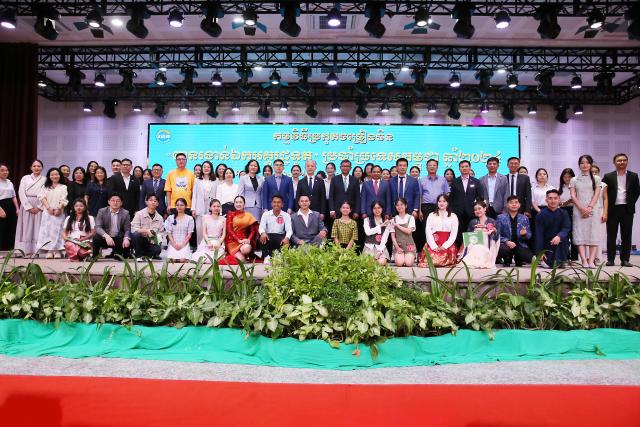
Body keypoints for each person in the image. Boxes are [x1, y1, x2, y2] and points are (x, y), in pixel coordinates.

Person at [602, 153, 640, 267]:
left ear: (627, 162)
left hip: (627, 209)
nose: (621, 162)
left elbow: (637, 191)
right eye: (619, 160)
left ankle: (625, 260)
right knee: (611, 235)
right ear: (614, 163)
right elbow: (603, 192)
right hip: (613, 209)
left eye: (624, 160)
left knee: (626, 235)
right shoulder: (608, 176)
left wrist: (631, 202)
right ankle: (610, 259)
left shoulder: (634, 176)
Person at [570, 155, 602, 268]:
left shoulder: (597, 178)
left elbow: (597, 194)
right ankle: (583, 260)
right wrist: (581, 208)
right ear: (579, 165)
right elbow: (573, 196)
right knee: (580, 235)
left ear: (591, 164)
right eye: (582, 162)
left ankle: (591, 260)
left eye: (587, 162)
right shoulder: (574, 179)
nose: (585, 165)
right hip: (579, 210)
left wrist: (589, 208)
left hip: (593, 210)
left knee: (593, 234)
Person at [450, 160, 487, 245]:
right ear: (459, 169)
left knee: (472, 233)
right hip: (458, 212)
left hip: (472, 212)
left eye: (466, 166)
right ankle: (459, 253)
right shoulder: (455, 182)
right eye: (462, 167)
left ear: (470, 168)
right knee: (459, 233)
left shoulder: (476, 181)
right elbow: (451, 198)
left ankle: (470, 253)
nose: (464, 168)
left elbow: (480, 197)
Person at [418, 194, 458, 268]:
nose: (441, 203)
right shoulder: (431, 215)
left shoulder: (453, 216)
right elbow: (428, 231)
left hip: (447, 243)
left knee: (447, 259)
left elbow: (454, 234)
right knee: (431, 260)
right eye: (439, 201)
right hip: (434, 242)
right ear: (437, 203)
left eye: (444, 201)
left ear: (448, 203)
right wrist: (433, 246)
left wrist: (445, 246)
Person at [14, 160, 46, 255]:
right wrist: (28, 207)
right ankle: (24, 250)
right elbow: (21, 192)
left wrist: (40, 207)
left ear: (42, 168)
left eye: (39, 166)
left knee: (38, 227)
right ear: (31, 168)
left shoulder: (45, 179)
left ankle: (37, 250)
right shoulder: (25, 178)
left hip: (40, 204)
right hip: (27, 204)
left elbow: (46, 193)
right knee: (26, 227)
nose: (36, 168)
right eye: (34, 166)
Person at [418, 159, 449, 254]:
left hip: (440, 207)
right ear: (426, 167)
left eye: (434, 165)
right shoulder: (421, 180)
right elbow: (420, 196)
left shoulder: (443, 180)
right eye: (430, 165)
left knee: (438, 229)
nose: (432, 167)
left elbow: (446, 195)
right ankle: (424, 253)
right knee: (426, 230)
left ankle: (438, 252)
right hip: (426, 207)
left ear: (437, 167)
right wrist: (419, 210)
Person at [36, 168, 68, 259]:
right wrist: (48, 208)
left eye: (56, 174)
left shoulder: (63, 187)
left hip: (59, 212)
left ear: (60, 176)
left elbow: (64, 199)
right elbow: (42, 197)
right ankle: (50, 250)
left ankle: (57, 250)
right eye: (52, 175)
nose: (54, 176)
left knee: (58, 231)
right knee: (48, 231)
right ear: (49, 176)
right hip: (47, 212)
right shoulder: (45, 186)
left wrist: (59, 208)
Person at [535, 189, 571, 268]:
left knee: (563, 239)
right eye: (550, 198)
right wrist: (540, 252)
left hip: (560, 242)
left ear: (559, 199)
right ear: (546, 200)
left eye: (555, 198)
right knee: (549, 264)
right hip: (547, 244)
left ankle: (561, 261)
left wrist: (559, 236)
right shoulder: (541, 214)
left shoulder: (564, 213)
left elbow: (566, 228)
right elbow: (539, 235)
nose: (553, 201)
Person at [92, 193, 132, 259]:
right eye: (113, 200)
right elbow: (98, 227)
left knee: (122, 257)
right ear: (108, 202)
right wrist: (106, 236)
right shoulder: (102, 211)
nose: (115, 203)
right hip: (105, 238)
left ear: (121, 203)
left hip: (118, 238)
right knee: (96, 237)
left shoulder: (125, 213)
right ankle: (95, 256)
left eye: (118, 201)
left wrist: (126, 238)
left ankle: (120, 254)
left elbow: (127, 229)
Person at [497, 196, 533, 267]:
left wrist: (524, 234)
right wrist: (507, 241)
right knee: (503, 250)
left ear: (519, 205)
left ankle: (518, 259)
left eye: (516, 202)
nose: (514, 204)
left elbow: (529, 235)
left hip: (519, 245)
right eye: (511, 202)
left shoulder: (524, 218)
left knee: (528, 257)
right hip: (506, 245)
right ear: (507, 205)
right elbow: (497, 235)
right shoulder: (500, 218)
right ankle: (507, 258)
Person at [462, 199, 499, 269]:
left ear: (485, 209)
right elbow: (467, 238)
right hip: (474, 245)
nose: (477, 211)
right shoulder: (473, 222)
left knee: (481, 250)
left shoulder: (492, 221)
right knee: (476, 249)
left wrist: (493, 231)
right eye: (475, 210)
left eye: (479, 208)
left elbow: (496, 238)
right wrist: (474, 232)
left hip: (487, 246)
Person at [259, 195, 293, 264]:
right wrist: (263, 233)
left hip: (280, 237)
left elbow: (289, 230)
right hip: (269, 237)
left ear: (282, 204)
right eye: (274, 202)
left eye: (279, 202)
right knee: (262, 237)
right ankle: (266, 257)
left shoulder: (286, 215)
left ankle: (280, 256)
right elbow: (261, 227)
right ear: (271, 203)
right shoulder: (266, 214)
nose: (276, 204)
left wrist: (287, 238)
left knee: (287, 240)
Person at [225, 195, 259, 263]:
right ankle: (241, 256)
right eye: (236, 202)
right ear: (234, 204)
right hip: (232, 241)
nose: (238, 204)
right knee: (240, 260)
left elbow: (253, 230)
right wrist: (238, 240)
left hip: (244, 241)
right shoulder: (230, 214)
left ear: (244, 204)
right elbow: (229, 230)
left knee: (246, 249)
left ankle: (244, 255)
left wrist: (249, 239)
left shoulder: (249, 215)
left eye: (240, 202)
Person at [131, 194, 165, 260]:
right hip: (139, 240)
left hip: (150, 242)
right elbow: (133, 229)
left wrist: (155, 240)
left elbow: (160, 233)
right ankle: (138, 255)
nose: (153, 202)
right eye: (150, 200)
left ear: (157, 204)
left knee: (158, 250)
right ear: (146, 202)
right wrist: (146, 231)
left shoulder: (160, 218)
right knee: (136, 235)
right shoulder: (139, 214)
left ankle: (145, 254)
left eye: (155, 201)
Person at [192, 161, 218, 241]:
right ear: (202, 169)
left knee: (210, 229)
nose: (206, 169)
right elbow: (194, 195)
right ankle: (200, 248)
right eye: (204, 167)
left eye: (208, 167)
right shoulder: (197, 180)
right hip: (199, 208)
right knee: (199, 229)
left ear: (211, 169)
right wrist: (193, 208)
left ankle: (210, 247)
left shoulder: (215, 180)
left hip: (211, 208)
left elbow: (217, 195)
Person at [164, 198, 194, 262]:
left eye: (182, 205)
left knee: (182, 260)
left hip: (184, 244)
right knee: (172, 260)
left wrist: (182, 245)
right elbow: (169, 233)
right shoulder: (170, 217)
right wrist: (174, 244)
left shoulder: (189, 218)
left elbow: (189, 234)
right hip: (173, 243)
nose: (179, 207)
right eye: (177, 205)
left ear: (185, 206)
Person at [558, 168, 579, 261]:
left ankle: (574, 257)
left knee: (574, 234)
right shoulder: (559, 188)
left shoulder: (576, 188)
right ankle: (565, 255)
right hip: (562, 211)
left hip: (574, 210)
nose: (567, 179)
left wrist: (569, 201)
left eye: (569, 177)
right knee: (564, 234)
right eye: (565, 177)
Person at [363, 201, 391, 265]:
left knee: (381, 262)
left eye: (379, 208)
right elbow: (368, 232)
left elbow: (384, 238)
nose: (377, 210)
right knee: (368, 263)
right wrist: (380, 226)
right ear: (372, 209)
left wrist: (380, 251)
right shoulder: (367, 220)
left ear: (382, 209)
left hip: (380, 248)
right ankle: (372, 262)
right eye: (375, 208)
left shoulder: (386, 221)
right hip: (369, 247)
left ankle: (374, 262)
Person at [390, 197, 416, 266]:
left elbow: (408, 231)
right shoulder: (394, 219)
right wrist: (397, 247)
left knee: (408, 263)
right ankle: (400, 256)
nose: (399, 207)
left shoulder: (410, 217)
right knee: (399, 263)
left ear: (406, 206)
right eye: (397, 205)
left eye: (401, 204)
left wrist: (397, 225)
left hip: (409, 245)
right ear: (395, 207)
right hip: (399, 246)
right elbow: (393, 236)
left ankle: (409, 256)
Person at [591, 164, 609, 263]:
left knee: (600, 235)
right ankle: (589, 258)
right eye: (592, 172)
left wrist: (605, 213)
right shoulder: (584, 183)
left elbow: (605, 199)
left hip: (600, 210)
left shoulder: (603, 185)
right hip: (588, 211)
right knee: (589, 235)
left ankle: (597, 257)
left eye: (596, 172)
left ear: (599, 173)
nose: (594, 174)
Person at [0, 163, 19, 251]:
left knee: (11, 226)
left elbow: (13, 196)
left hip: (10, 205)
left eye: (6, 170)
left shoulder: (9, 182)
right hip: (1, 205)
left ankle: (9, 248)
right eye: (2, 170)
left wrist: (17, 208)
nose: (5, 172)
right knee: (1, 227)